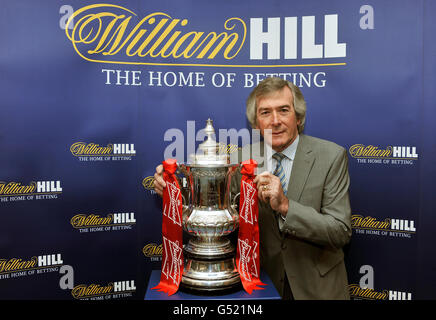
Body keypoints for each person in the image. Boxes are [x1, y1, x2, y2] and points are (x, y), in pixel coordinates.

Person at [154, 77, 352, 300]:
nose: (275, 121)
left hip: (318, 288)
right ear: (256, 124)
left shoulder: (331, 156)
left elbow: (340, 231)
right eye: (265, 112)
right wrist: (174, 192)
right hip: (260, 286)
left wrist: (286, 206)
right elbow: (215, 206)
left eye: (284, 110)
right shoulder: (239, 160)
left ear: (298, 117)